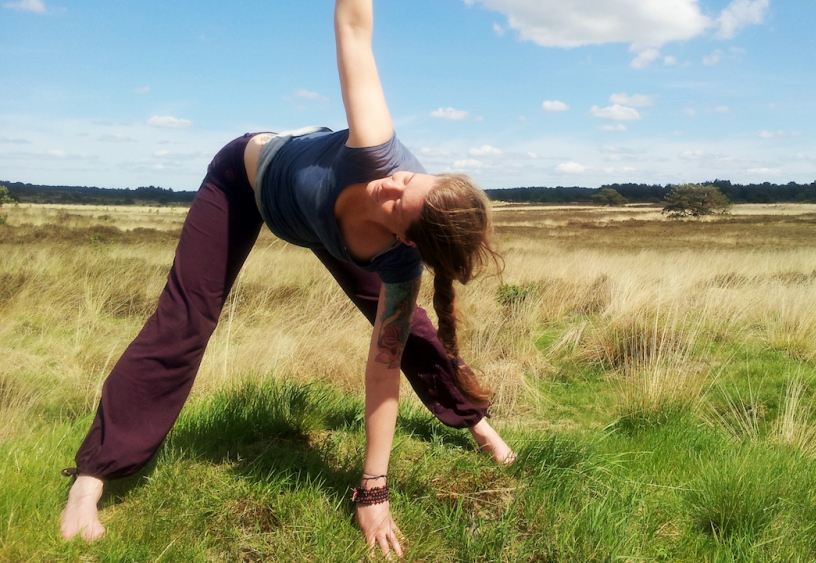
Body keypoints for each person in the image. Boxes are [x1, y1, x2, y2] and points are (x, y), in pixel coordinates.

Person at [59, 0, 514, 556]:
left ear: (409, 239)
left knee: (409, 331)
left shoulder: (399, 261)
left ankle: (475, 421)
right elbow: (353, 25)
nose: (390, 186)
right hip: (244, 183)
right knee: (184, 321)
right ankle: (90, 481)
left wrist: (374, 490)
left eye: (399, 205)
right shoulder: (377, 150)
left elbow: (381, 370)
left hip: (329, 229)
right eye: (407, 178)